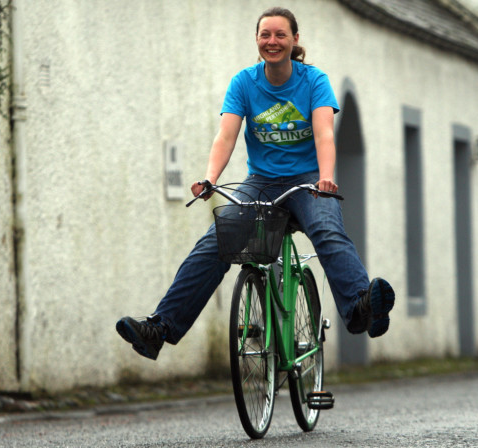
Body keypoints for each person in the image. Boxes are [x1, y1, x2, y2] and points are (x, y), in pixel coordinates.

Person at [116, 7, 395, 361]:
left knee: (326, 227)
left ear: (295, 39)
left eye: (280, 35)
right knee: (217, 239)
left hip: (308, 180)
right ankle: (161, 327)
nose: (272, 41)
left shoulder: (314, 81)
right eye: (265, 35)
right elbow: (226, 135)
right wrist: (210, 178)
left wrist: (326, 176)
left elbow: (325, 133)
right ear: (257, 40)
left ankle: (360, 307)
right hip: (261, 182)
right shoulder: (245, 82)